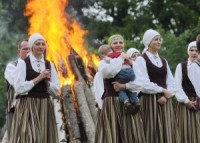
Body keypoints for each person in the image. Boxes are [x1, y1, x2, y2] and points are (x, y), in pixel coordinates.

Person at [8, 33, 60, 143]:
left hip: (45, 105)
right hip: (28, 105)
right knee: (28, 137)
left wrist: (48, 84)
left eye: (43, 44)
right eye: (37, 44)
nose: (41, 46)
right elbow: (19, 88)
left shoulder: (49, 64)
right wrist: (39, 78)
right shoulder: (23, 63)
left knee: (44, 137)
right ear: (31, 46)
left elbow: (56, 89)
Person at [94, 34, 145, 143]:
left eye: (120, 42)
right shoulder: (104, 62)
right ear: (110, 45)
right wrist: (120, 58)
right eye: (115, 43)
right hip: (112, 102)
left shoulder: (131, 62)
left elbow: (140, 82)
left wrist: (125, 86)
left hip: (129, 103)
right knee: (113, 135)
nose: (118, 44)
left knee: (131, 134)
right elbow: (108, 73)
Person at [134, 29, 179, 143]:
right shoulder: (141, 59)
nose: (159, 42)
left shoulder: (164, 61)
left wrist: (167, 96)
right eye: (155, 39)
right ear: (148, 42)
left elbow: (172, 82)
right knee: (151, 132)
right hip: (149, 101)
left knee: (167, 132)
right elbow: (143, 83)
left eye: (159, 39)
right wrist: (162, 90)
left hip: (165, 101)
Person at [174, 41, 200, 143]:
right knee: (185, 132)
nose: (194, 52)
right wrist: (186, 101)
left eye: (196, 50)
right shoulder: (181, 66)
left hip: (199, 102)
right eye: (191, 50)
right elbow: (177, 86)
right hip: (185, 104)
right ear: (187, 52)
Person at [4, 39, 30, 138]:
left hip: (32, 109)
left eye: (30, 49)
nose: (28, 51)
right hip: (15, 110)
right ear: (19, 51)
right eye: (25, 49)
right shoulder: (11, 66)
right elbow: (17, 83)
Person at [106, 45, 140, 114]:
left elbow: (108, 64)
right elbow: (130, 61)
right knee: (131, 89)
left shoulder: (111, 55)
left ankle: (126, 102)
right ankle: (136, 102)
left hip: (122, 72)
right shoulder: (125, 55)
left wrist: (105, 57)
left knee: (120, 88)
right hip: (131, 72)